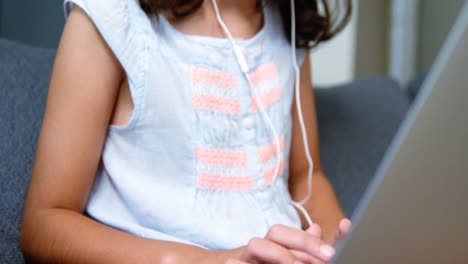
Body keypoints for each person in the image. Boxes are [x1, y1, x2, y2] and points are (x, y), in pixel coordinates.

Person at [20, 0, 353, 263]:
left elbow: (306, 179)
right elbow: (45, 223)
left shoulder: (287, 18)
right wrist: (204, 260)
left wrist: (337, 246)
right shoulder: (112, 16)